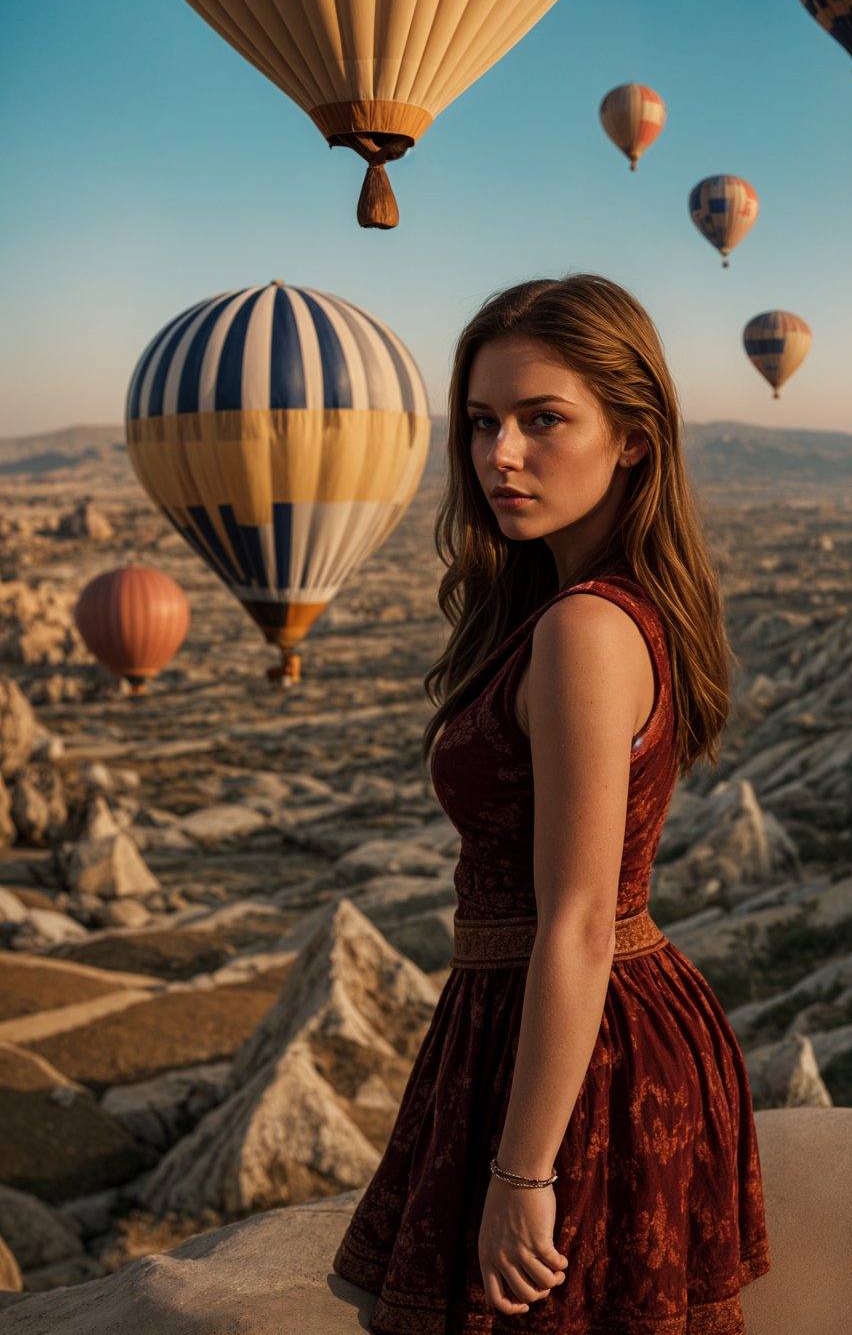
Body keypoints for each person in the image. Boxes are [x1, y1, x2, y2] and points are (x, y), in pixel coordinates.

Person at [332, 273, 771, 1333]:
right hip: (555, 1025)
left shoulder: (586, 629)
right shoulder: (587, 608)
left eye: (543, 420)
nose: (501, 456)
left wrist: (524, 1174)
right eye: (482, 424)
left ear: (632, 437)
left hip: (582, 1049)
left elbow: (575, 916)